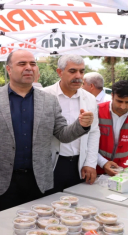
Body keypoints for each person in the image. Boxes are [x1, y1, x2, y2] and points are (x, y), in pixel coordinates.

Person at [0, 49, 94, 215]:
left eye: (32, 64)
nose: (29, 68)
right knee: (0, 229)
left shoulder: (49, 100)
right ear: (8, 69)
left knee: (36, 228)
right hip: (0, 182)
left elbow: (63, 134)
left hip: (38, 180)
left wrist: (81, 125)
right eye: (22, 64)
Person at [43, 55, 99, 193]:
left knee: (77, 208)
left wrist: (90, 163)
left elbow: (94, 132)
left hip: (79, 166)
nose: (78, 76)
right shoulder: (44, 95)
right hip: (52, 164)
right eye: (72, 71)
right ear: (59, 72)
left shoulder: (90, 98)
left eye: (81, 71)